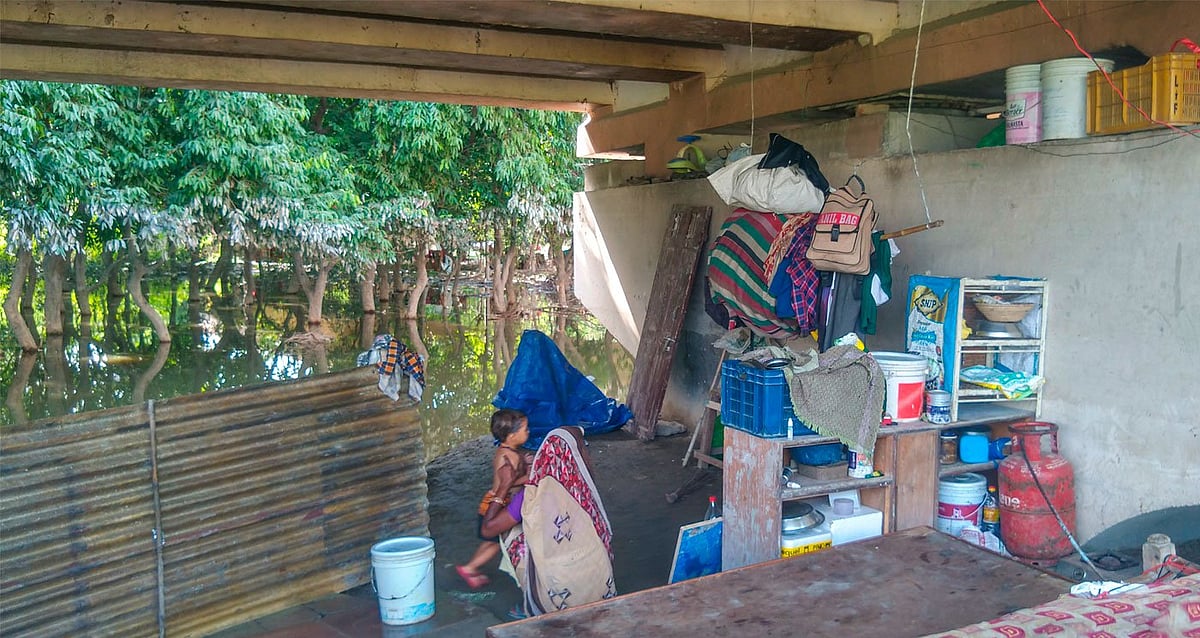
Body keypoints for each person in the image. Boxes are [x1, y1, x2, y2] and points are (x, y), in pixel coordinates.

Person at [481, 426, 615, 618]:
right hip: (598, 582)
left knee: (515, 533)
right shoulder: (583, 489)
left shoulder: (532, 495)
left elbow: (488, 529)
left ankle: (535, 595)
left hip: (559, 586)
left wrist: (504, 486)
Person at [456, 409, 531, 589]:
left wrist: (525, 462)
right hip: (498, 504)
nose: (528, 432)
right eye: (525, 429)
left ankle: (471, 567)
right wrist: (528, 476)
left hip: (494, 502)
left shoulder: (508, 451)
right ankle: (469, 567)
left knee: (492, 542)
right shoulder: (510, 456)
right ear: (512, 435)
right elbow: (507, 484)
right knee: (495, 543)